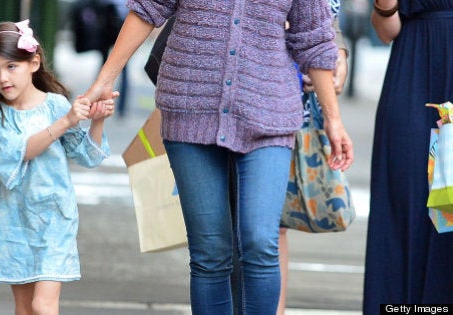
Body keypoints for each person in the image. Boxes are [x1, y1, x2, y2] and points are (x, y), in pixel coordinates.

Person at [85, 1, 354, 313]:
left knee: (260, 242)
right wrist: (104, 80)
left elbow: (314, 39)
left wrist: (333, 121)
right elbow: (147, 8)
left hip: (268, 112)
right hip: (190, 108)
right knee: (210, 253)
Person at [0, 19, 116, 315]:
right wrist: (67, 121)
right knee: (24, 309)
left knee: (43, 306)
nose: (2, 78)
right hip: (14, 221)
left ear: (33, 63)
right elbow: (13, 155)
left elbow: (88, 157)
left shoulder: (57, 105)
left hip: (55, 220)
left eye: (11, 67)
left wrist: (98, 119)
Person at [363, 1, 453, 313]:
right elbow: (386, 30)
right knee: (406, 199)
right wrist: (385, 7)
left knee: (450, 214)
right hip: (414, 73)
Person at [277, 1, 349, 313]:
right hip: (223, 85)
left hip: (295, 104)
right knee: (224, 232)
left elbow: (325, 16)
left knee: (269, 225)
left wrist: (339, 54)